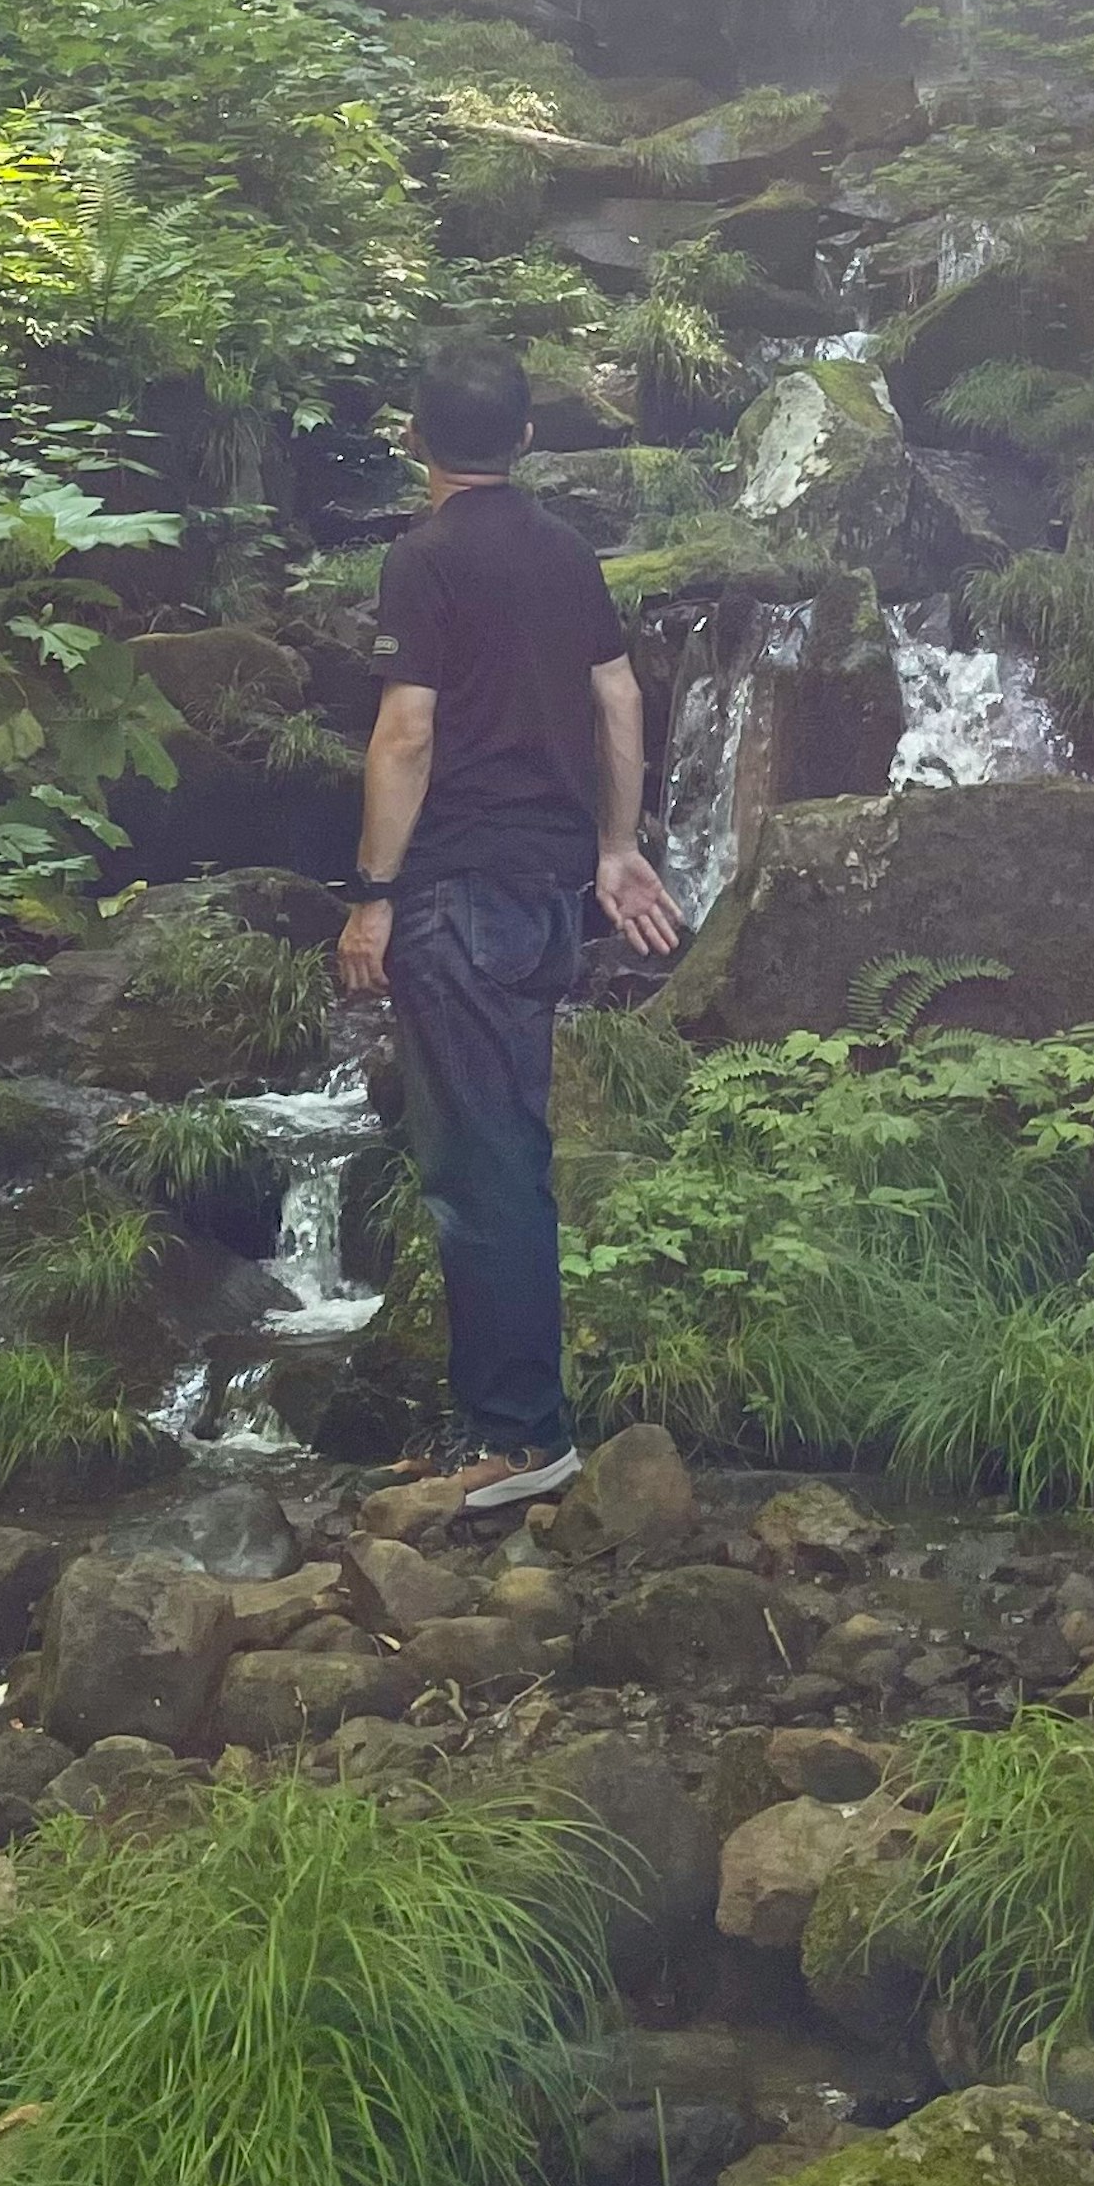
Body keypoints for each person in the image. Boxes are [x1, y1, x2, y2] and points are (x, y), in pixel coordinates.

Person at [336, 337, 682, 1511]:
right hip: (544, 898)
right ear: (527, 440)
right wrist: (617, 848)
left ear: (414, 439)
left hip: (457, 887)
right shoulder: (567, 549)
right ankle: (492, 1418)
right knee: (502, 1154)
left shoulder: (422, 559)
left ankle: (524, 1432)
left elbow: (406, 732)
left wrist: (375, 890)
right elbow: (618, 699)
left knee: (478, 1167)